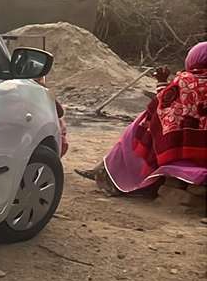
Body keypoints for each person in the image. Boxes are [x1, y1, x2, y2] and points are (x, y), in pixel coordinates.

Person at [77, 42, 207, 194]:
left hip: (186, 148)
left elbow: (162, 105)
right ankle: (104, 170)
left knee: (142, 125)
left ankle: (109, 174)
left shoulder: (187, 80)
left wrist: (161, 82)